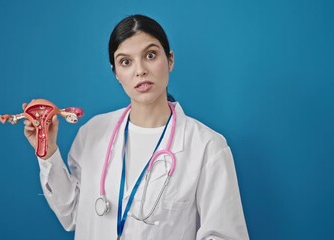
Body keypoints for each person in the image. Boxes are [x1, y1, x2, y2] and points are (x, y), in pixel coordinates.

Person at [23, 14, 249, 240]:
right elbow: (72, 216)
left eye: (150, 55)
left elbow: (224, 235)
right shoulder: (92, 133)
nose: (140, 70)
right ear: (116, 74)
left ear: (170, 60)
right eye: (126, 62)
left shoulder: (207, 146)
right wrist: (48, 151)